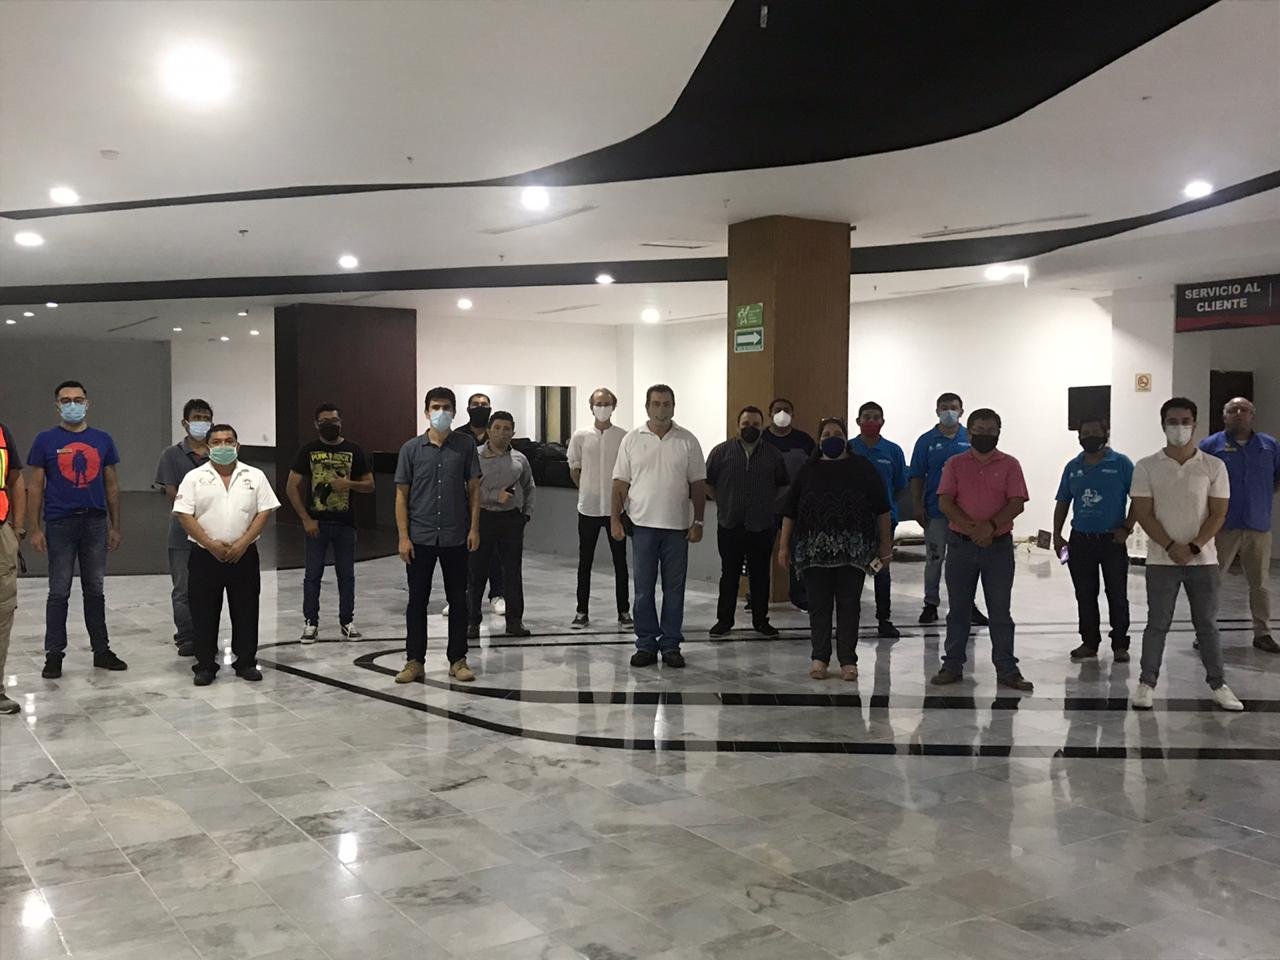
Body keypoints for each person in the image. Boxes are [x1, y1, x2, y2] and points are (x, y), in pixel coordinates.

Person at [1130, 398, 1244, 711]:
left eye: (1185, 421)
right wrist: (1170, 546)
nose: (1179, 427)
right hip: (1161, 560)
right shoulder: (1147, 466)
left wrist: (1193, 546)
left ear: (1194, 424)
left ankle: (1219, 684)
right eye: (1172, 421)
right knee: (1157, 623)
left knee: (1206, 624)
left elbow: (1218, 513)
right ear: (1163, 424)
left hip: (1203, 561)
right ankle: (1146, 683)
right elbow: (1143, 512)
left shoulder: (1213, 466)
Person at [27, 381, 127, 679]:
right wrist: (35, 528)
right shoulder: (45, 440)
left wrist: (115, 525)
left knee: (95, 589)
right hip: (60, 523)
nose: (72, 404)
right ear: (57, 405)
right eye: (66, 400)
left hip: (95, 522)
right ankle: (54, 654)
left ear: (87, 403)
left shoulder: (102, 439)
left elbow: (111, 485)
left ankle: (101, 650)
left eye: (78, 399)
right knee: (58, 591)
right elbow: (36, 486)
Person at [778, 418, 891, 681]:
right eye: (826, 434)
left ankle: (848, 660)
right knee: (818, 606)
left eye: (837, 433)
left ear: (846, 438)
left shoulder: (862, 468)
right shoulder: (808, 470)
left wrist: (885, 546)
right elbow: (789, 512)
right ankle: (819, 658)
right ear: (819, 440)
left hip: (853, 551)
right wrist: (784, 546)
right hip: (813, 552)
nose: (832, 438)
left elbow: (882, 510)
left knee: (849, 605)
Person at [930, 408, 1033, 691]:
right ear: (969, 432)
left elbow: (1017, 502)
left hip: (998, 547)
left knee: (1000, 612)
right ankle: (952, 665)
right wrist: (974, 528)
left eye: (990, 431)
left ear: (999, 432)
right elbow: (945, 502)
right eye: (979, 430)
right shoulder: (955, 464)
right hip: (961, 545)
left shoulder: (1010, 464)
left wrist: (990, 526)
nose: (985, 435)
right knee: (958, 610)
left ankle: (1007, 669)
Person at [173, 424, 280, 685]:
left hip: (244, 555)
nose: (223, 446)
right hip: (204, 555)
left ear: (237, 446)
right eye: (217, 442)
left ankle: (246, 662)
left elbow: (264, 511)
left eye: (228, 441)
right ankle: (205, 665)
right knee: (203, 611)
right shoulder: (194, 478)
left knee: (246, 609)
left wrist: (243, 543)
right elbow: (184, 514)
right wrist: (210, 544)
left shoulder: (254, 476)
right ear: (208, 447)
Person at [611, 384, 706, 668]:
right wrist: (614, 519)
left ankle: (671, 644)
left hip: (677, 528)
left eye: (666, 404)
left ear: (673, 407)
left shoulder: (688, 440)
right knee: (643, 589)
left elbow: (698, 485)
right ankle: (646, 644)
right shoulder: (631, 440)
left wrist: (698, 521)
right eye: (656, 404)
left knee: (674, 590)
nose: (661, 409)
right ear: (647, 407)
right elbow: (620, 484)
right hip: (642, 526)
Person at [394, 387, 481, 684]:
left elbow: (474, 490)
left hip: (456, 536)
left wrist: (474, 528)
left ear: (454, 412)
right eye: (435, 407)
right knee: (417, 600)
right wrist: (403, 536)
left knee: (459, 600)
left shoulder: (465, 446)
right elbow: (401, 495)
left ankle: (458, 659)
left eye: (446, 407)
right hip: (420, 536)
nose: (441, 412)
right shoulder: (410, 449)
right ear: (426, 411)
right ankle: (414, 661)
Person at [287, 403, 374, 643]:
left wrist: (349, 485)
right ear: (316, 424)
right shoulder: (308, 450)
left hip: (345, 524)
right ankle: (311, 623)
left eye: (334, 420)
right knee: (312, 575)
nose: (330, 425)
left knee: (346, 575)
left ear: (340, 422)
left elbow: (370, 485)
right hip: (317, 524)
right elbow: (291, 486)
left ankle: (347, 621)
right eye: (325, 421)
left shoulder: (353, 450)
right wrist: (306, 519)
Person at [1200, 396, 1279, 653]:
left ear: (1252, 416)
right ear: (1224, 416)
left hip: (1258, 525)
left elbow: (1276, 479)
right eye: (1233, 410)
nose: (1239, 413)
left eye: (1244, 410)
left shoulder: (1269, 445)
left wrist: (1259, 496)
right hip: (1222, 526)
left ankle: (1263, 633)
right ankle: (1205, 631)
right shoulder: (1211, 446)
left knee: (1260, 583)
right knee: (1212, 581)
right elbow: (1199, 482)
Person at [1052, 417, 1136, 662]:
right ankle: (1089, 642)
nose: (1090, 436)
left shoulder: (1121, 464)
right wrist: (1057, 535)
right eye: (1085, 433)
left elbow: (1139, 499)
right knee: (1085, 594)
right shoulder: (1073, 467)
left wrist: (1127, 528)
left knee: (1117, 593)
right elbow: (1063, 501)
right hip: (1080, 540)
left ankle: (1120, 643)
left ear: (1105, 434)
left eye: (1094, 432)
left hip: (1112, 541)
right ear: (1079, 437)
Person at [705, 405, 787, 638]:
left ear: (762, 426)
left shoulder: (773, 454)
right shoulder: (721, 452)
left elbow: (783, 484)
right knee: (729, 574)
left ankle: (761, 621)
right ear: (737, 426)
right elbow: (708, 482)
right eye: (746, 424)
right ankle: (724, 621)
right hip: (729, 523)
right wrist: (723, 501)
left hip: (761, 525)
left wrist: (768, 504)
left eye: (755, 424)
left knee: (760, 575)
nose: (750, 428)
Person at [910, 392, 989, 627]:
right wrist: (917, 505)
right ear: (936, 411)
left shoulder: (971, 438)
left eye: (953, 407)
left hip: (966, 514)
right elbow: (917, 476)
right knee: (934, 559)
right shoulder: (926, 441)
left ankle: (968, 605)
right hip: (935, 512)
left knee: (968, 562)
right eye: (944, 407)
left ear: (962, 411)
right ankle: (930, 603)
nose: (949, 412)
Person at [567, 388, 632, 628]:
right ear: (591, 407)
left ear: (613, 406)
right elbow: (574, 468)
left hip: (617, 510)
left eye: (606, 403)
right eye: (598, 403)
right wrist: (586, 488)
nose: (602, 407)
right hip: (589, 509)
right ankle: (581, 611)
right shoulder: (581, 436)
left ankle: (623, 611)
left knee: (620, 563)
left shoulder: (624, 437)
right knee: (585, 562)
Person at [468, 410, 535, 639]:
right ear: (488, 430)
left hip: (511, 521)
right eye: (497, 428)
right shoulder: (475, 456)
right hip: (483, 518)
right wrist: (495, 495)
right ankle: (472, 622)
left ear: (513, 433)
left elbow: (529, 486)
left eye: (507, 429)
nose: (502, 432)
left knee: (512, 572)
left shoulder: (520, 459)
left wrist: (526, 514)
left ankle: (514, 621)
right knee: (476, 571)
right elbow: (469, 488)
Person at [154, 398, 213, 657]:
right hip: (182, 532)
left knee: (209, 588)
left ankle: (207, 634)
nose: (202, 422)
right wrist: (192, 519)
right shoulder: (171, 454)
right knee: (183, 588)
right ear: (185, 422)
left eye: (206, 418)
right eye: (197, 418)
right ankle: (186, 637)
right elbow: (172, 493)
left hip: (213, 531)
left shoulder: (218, 452)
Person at [849, 402, 908, 638]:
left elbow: (900, 486)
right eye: (866, 417)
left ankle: (884, 619)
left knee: (882, 569)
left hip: (885, 520)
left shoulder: (893, 451)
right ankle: (849, 620)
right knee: (852, 572)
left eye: (876, 417)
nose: (871, 421)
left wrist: (887, 507)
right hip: (853, 522)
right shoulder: (849, 448)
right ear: (858, 421)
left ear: (883, 421)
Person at [451, 392, 503, 617]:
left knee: (495, 553)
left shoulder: (496, 435)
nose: (480, 407)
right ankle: (462, 596)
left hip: (493, 505)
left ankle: (497, 594)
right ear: (468, 408)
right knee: (464, 553)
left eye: (484, 404)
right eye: (475, 404)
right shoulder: (458, 437)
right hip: (464, 504)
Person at [763, 398, 816, 610]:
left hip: (797, 509)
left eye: (786, 410)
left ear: (793, 415)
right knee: (761, 553)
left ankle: (800, 596)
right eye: (777, 410)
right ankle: (757, 596)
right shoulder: (762, 439)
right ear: (770, 414)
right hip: (766, 508)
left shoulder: (804, 441)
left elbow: (815, 469)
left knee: (798, 553)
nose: (782, 413)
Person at [0, 421, 27, 715]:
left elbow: (15, 479)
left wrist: (17, 528)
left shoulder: (2, 432)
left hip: (0, 534)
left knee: (2, 610)